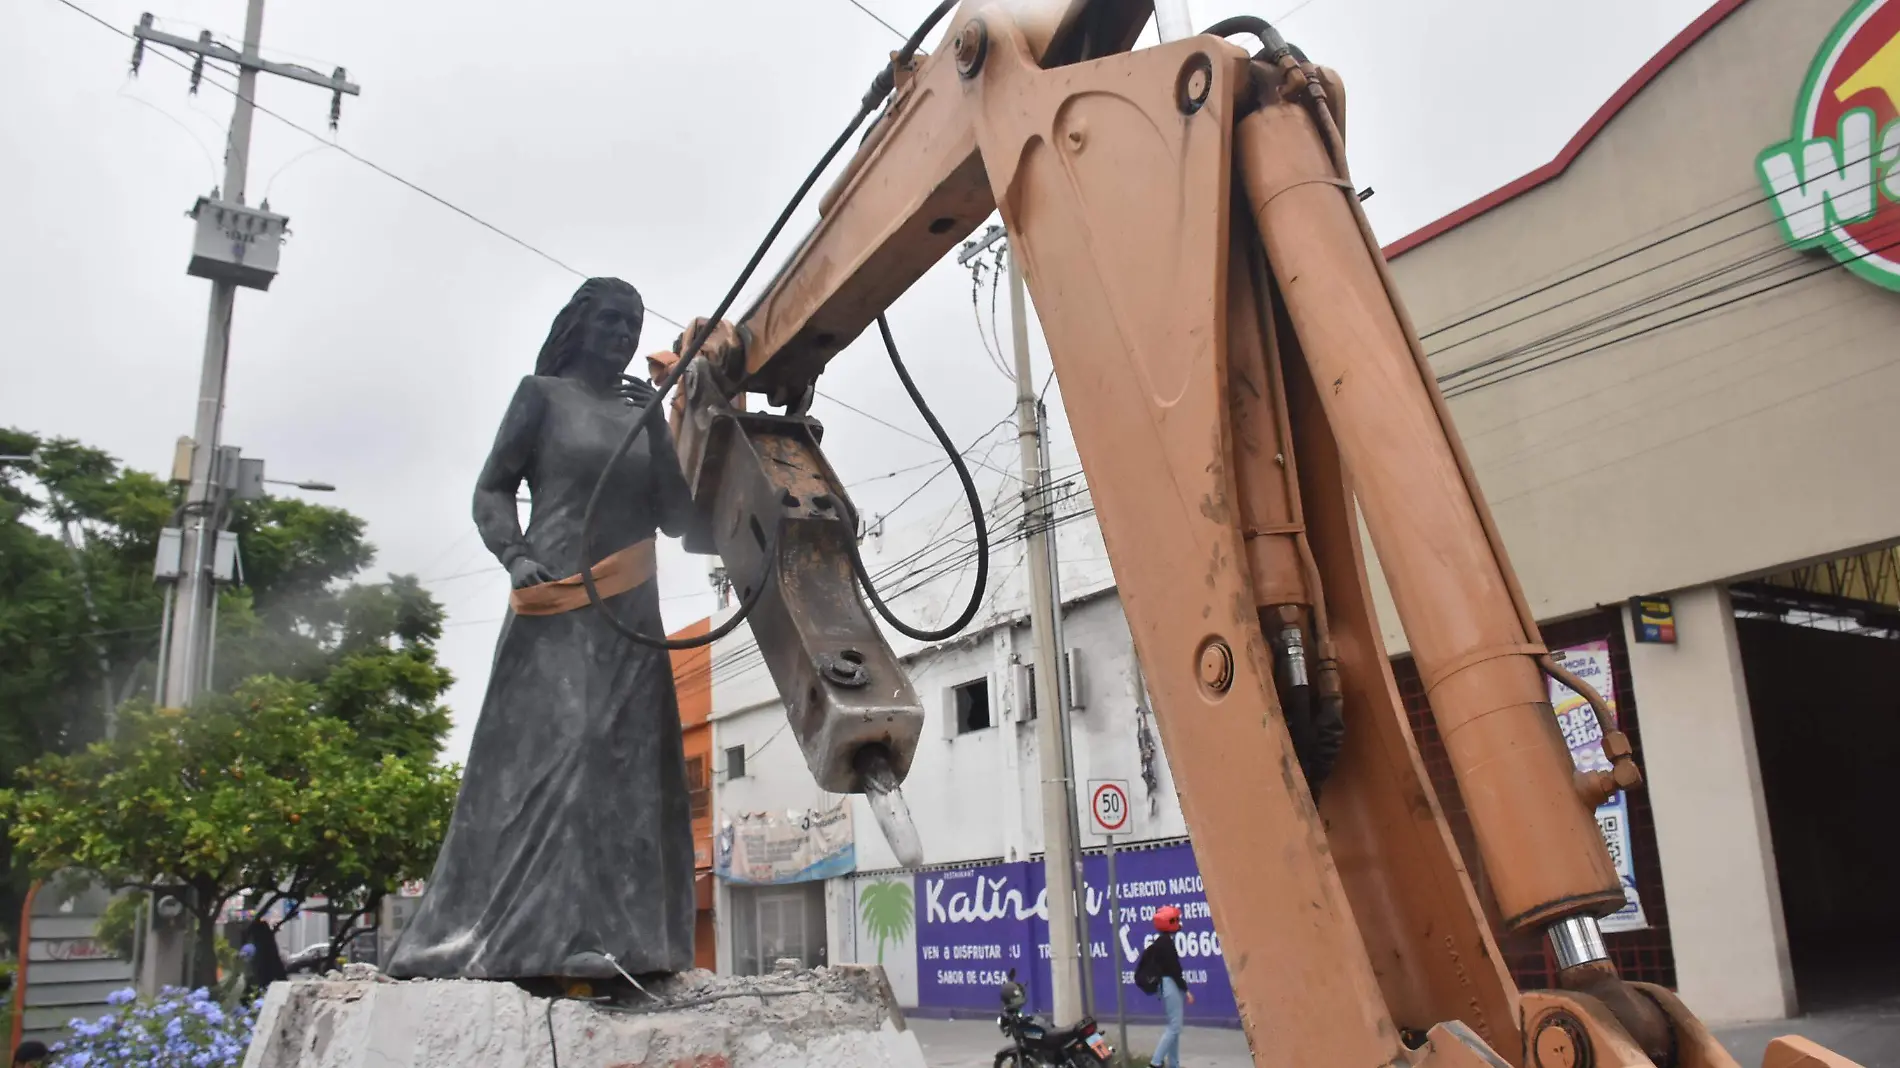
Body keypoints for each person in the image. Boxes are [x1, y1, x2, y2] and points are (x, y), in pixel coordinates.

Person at [384, 278, 701, 985]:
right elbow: (491, 488)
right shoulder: (541, 396)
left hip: (631, 610)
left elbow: (679, 521)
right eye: (611, 320)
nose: (622, 333)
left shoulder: (639, 412)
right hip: (555, 598)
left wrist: (656, 423)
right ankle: (544, 934)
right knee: (567, 752)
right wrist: (515, 554)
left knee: (630, 764)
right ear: (579, 325)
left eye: (634, 323)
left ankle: (633, 938)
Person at [1133, 905, 1194, 1068]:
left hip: (1167, 985)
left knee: (1174, 1028)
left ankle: (1174, 1064)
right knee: (1174, 1028)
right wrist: (1186, 989)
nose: (1179, 923)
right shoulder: (1166, 945)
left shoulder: (1161, 943)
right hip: (1171, 985)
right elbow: (1174, 970)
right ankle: (1155, 1062)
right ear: (1169, 922)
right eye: (1176, 920)